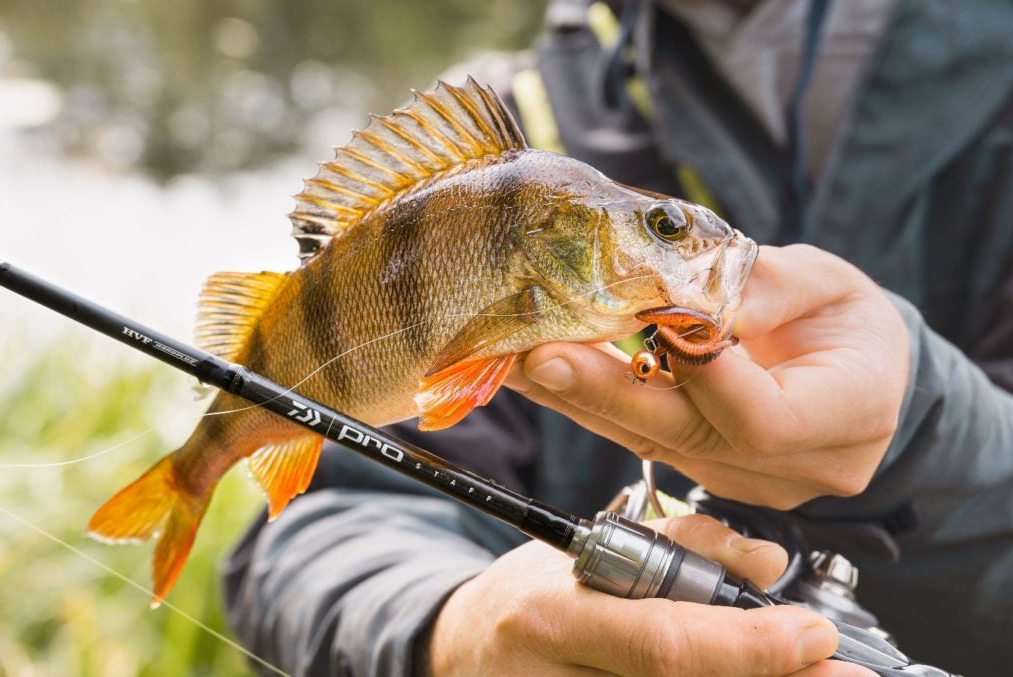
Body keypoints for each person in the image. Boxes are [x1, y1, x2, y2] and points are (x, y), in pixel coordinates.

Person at [222, 1, 1013, 675]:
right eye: (663, 228)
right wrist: (451, 628)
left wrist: (922, 428)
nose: (694, 248)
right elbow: (315, 536)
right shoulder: (521, 124)